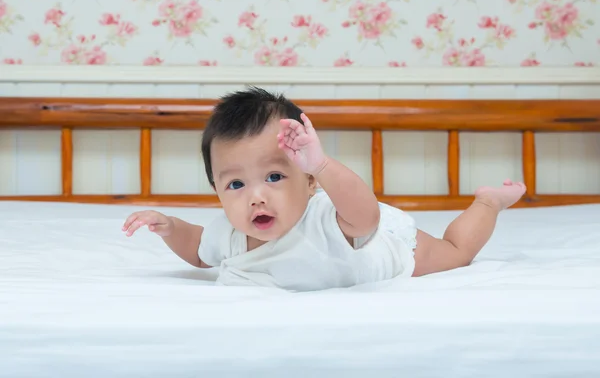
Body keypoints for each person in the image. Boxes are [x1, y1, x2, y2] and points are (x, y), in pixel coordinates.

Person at [122, 87, 526, 291]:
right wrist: (170, 226)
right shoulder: (229, 235)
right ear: (217, 190)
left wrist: (323, 163)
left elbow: (366, 217)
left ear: (311, 181)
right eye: (236, 184)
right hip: (357, 225)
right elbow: (198, 250)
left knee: (457, 254)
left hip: (380, 245)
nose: (256, 196)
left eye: (275, 177)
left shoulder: (324, 218)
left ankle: (488, 201)